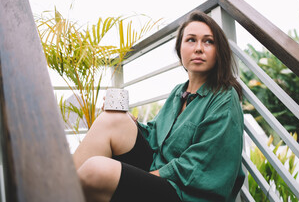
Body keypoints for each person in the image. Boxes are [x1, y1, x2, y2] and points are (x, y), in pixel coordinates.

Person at [73, 11, 245, 202]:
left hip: (184, 193)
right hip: (158, 172)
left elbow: (203, 163)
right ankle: (54, 192)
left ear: (218, 51)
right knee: (111, 119)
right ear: (180, 49)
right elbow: (156, 135)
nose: (198, 48)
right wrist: (129, 121)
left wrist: (143, 177)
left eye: (208, 41)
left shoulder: (223, 97)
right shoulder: (178, 92)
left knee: (95, 170)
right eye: (190, 40)